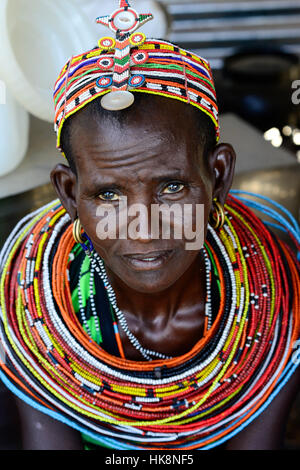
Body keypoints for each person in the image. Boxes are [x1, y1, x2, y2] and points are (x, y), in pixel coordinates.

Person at [0, 1, 299, 450]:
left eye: (173, 188)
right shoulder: (29, 310)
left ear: (217, 177)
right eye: (107, 195)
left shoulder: (280, 308)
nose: (142, 229)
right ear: (68, 194)